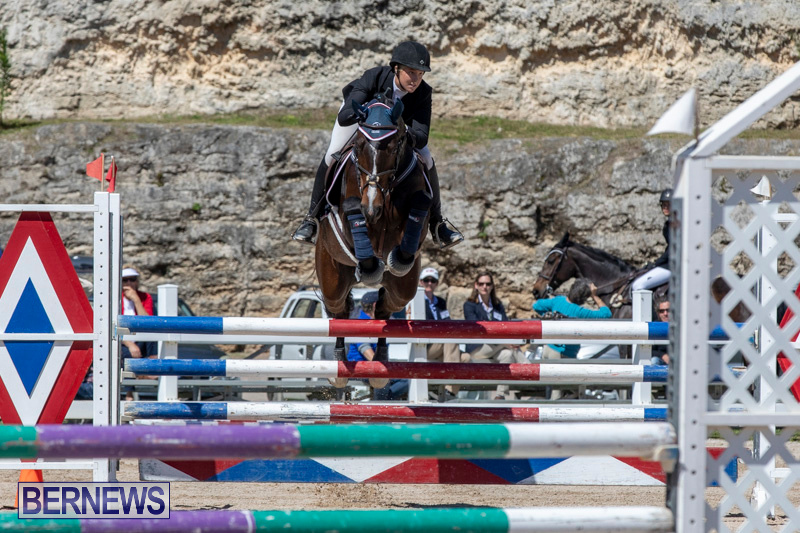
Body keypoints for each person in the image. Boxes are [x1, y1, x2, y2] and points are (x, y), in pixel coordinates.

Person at [291, 41, 463, 250]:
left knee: (427, 159)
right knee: (332, 153)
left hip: (396, 131)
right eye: (411, 72)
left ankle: (437, 223)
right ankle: (311, 218)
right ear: (396, 69)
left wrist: (401, 130)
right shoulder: (374, 77)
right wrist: (367, 117)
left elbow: (421, 136)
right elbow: (345, 117)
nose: (416, 79)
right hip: (362, 122)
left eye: (420, 74)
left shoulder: (423, 93)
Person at [463, 271, 528, 400]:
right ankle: (528, 369)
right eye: (481, 284)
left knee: (507, 354)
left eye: (488, 284)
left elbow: (506, 326)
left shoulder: (498, 305)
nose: (484, 287)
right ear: (476, 285)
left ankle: (500, 395)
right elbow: (477, 329)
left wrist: (503, 341)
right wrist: (504, 341)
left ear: (492, 286)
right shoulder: (469, 305)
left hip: (497, 347)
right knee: (509, 346)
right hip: (478, 348)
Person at [347, 291, 408, 400]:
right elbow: (366, 349)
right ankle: (381, 402)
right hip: (360, 368)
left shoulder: (369, 321)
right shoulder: (363, 322)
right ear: (376, 305)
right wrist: (384, 368)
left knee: (404, 377)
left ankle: (381, 402)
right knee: (384, 376)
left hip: (365, 366)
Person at [419, 267, 469, 398]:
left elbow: (447, 321)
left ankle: (448, 394)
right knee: (450, 339)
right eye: (426, 280)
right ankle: (449, 388)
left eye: (433, 281)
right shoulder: (416, 301)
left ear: (437, 283)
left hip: (441, 344)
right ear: (421, 282)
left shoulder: (440, 302)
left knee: (466, 358)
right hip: (425, 345)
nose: (429, 283)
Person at [532, 279, 612, 360]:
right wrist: (595, 296)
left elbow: (536, 305)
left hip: (548, 348)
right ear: (584, 298)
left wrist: (551, 317)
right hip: (563, 354)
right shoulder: (580, 312)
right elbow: (606, 314)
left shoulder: (558, 300)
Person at [120, 266, 156, 400]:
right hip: (122, 340)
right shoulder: (115, 299)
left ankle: (152, 368)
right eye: (125, 280)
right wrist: (129, 344)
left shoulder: (144, 297)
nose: (129, 283)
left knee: (154, 335)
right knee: (126, 354)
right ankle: (129, 393)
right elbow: (113, 326)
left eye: (132, 279)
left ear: (137, 281)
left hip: (141, 339)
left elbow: (147, 322)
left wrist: (136, 300)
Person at [632, 188, 672, 291]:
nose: (665, 207)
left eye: (669, 204)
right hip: (670, 264)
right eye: (664, 204)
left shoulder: (676, 224)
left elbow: (672, 249)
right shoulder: (668, 224)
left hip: (673, 267)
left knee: (637, 286)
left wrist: (656, 263)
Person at [651, 299, 670, 365]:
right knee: (654, 360)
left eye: (668, 310)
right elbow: (650, 350)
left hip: (679, 358)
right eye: (662, 311)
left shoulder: (681, 325)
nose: (665, 313)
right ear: (658, 314)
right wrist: (663, 355)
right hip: (661, 360)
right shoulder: (654, 327)